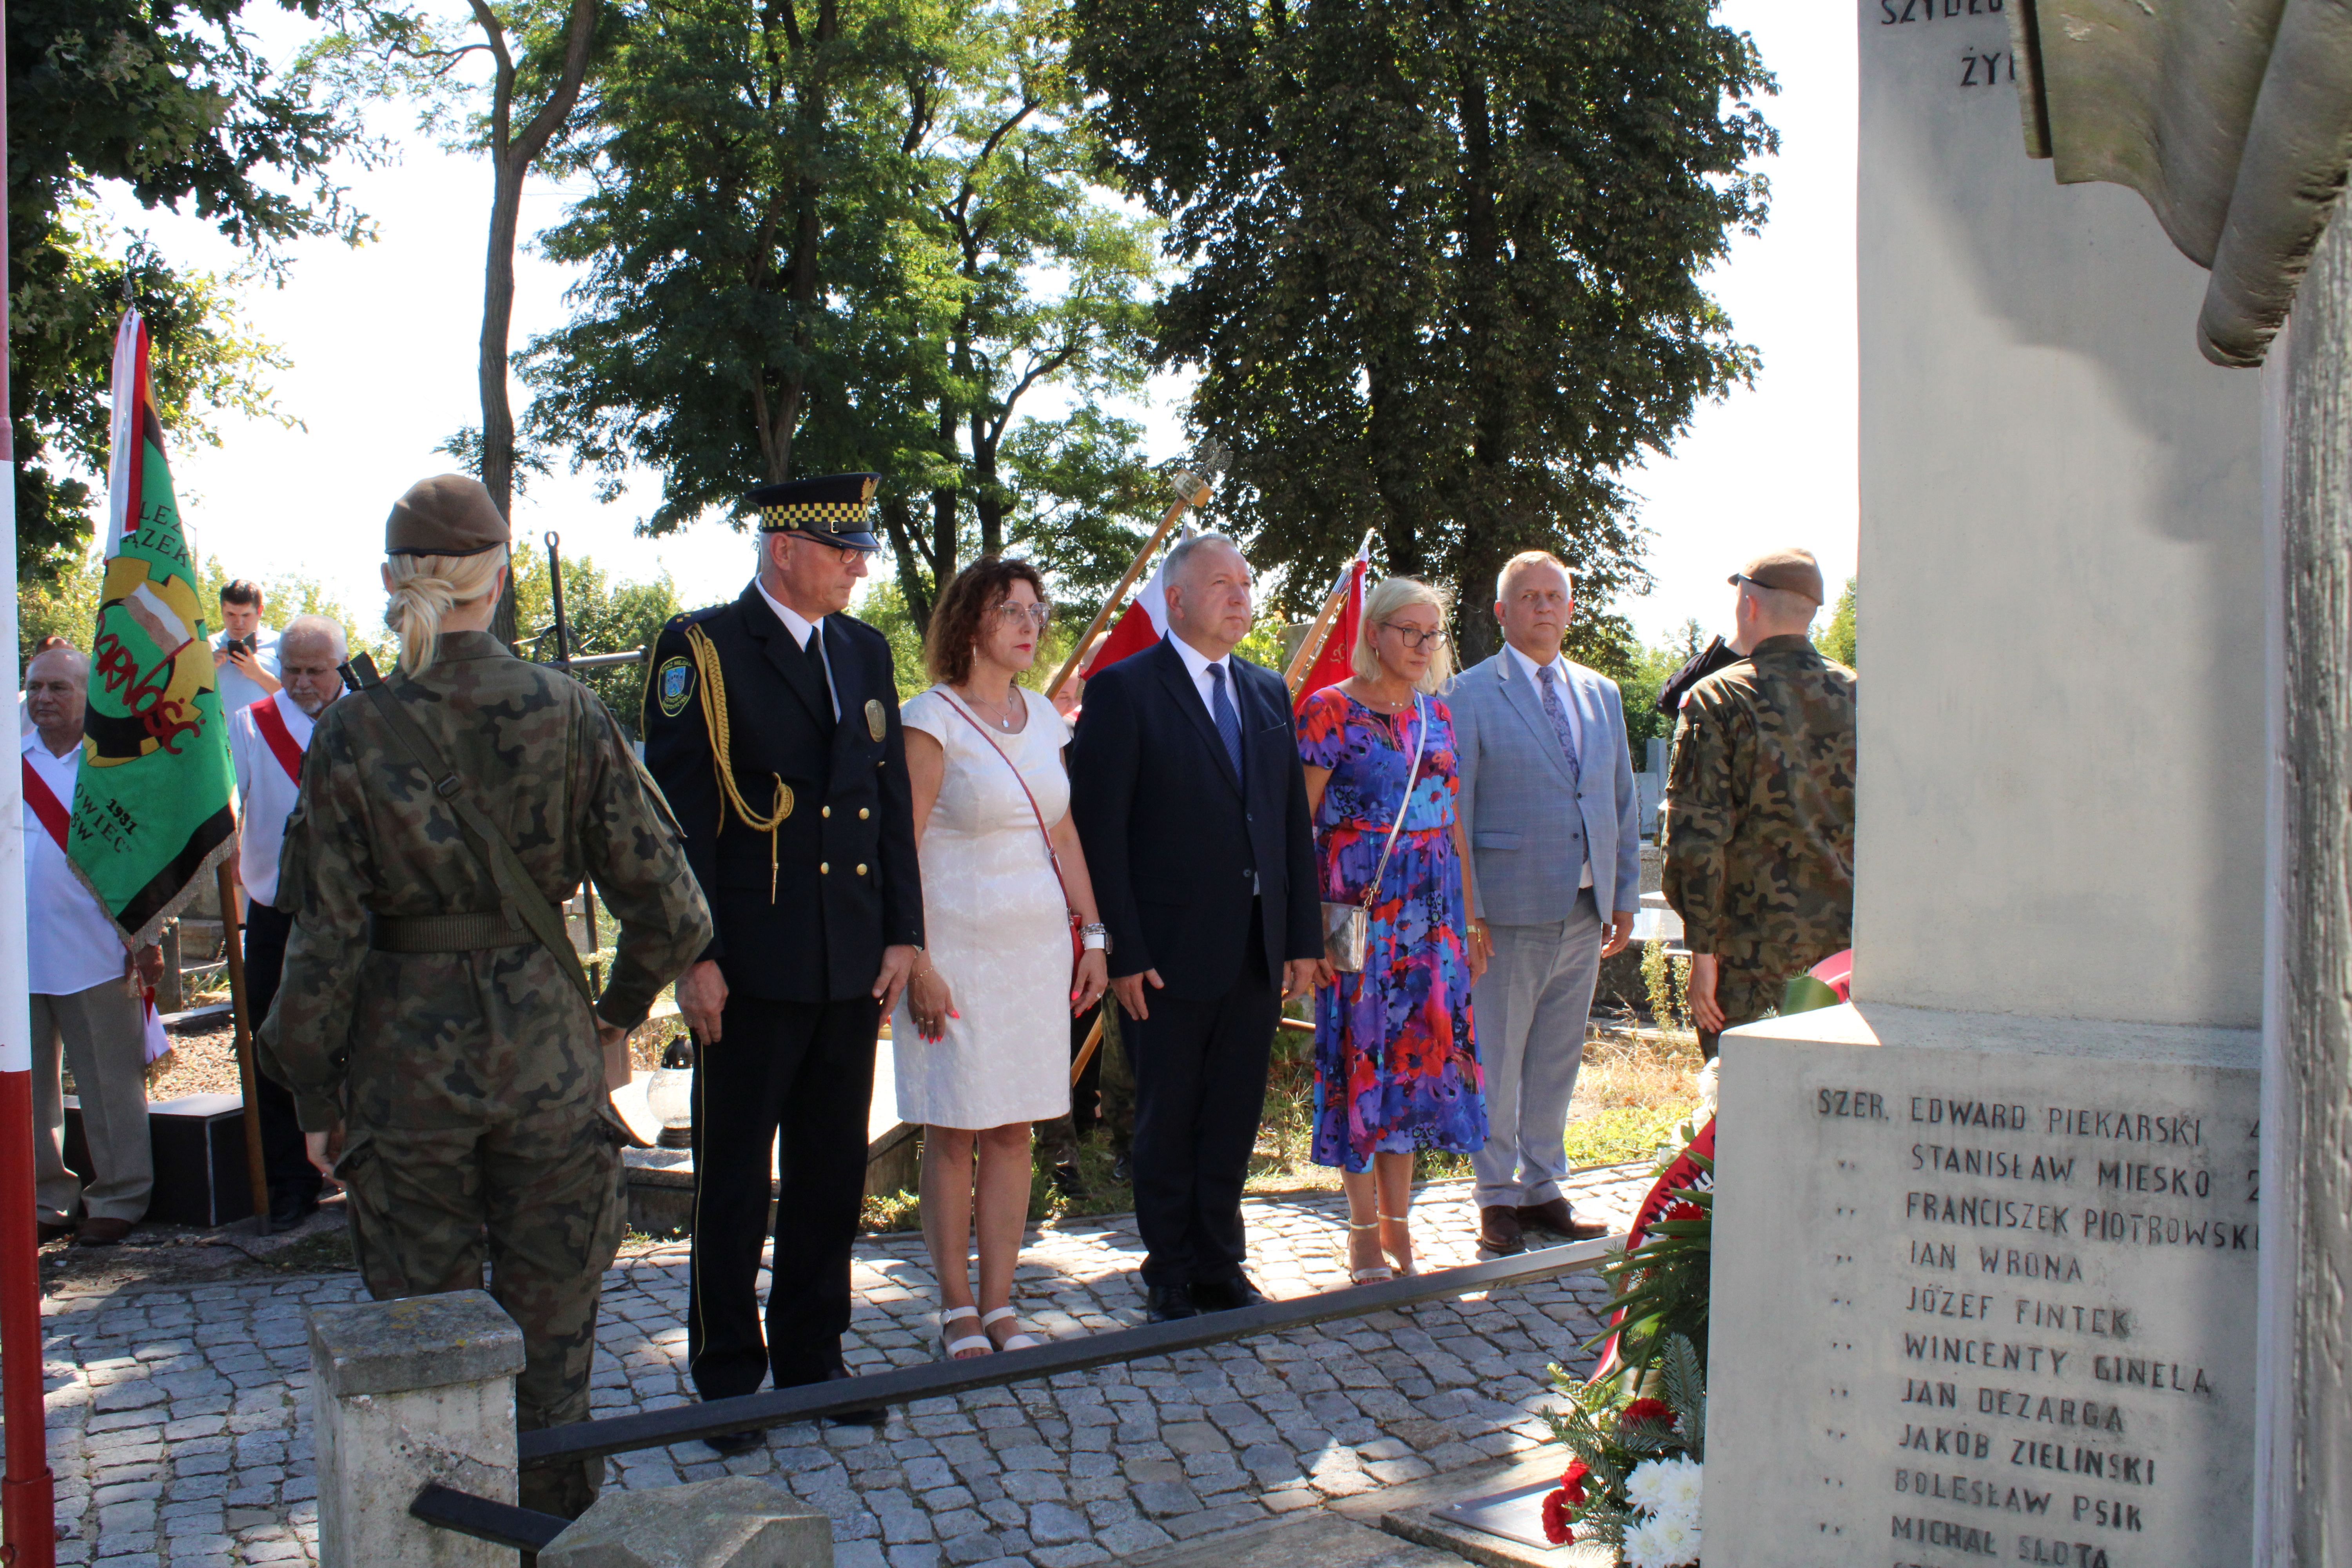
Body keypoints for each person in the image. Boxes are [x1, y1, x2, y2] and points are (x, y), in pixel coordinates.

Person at [257, 474, 712, 1519]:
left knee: (425, 1355)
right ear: (497, 578)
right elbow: (675, 910)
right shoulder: (568, 710)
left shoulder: (357, 733)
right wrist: (613, 1017)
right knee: (553, 1359)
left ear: (395, 584)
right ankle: (551, 1535)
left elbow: (321, 946)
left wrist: (313, 1101)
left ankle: (441, 1542)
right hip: (550, 1071)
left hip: (402, 1083)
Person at [639, 472, 923, 1446]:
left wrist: (903, 931)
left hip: (848, 956)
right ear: (782, 549)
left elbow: (886, 809)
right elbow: (680, 823)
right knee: (732, 1175)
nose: (858, 565)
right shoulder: (704, 650)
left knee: (829, 1171)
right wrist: (696, 953)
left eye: (862, 551)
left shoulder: (862, 648)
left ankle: (814, 1354)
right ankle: (726, 1372)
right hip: (750, 961)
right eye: (841, 548)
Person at [1069, 533, 1321, 1322]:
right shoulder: (1125, 689)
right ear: (1175, 600)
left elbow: (1286, 824)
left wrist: (1302, 937)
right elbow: (1100, 830)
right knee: (1168, 1114)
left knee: (1232, 1113)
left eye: (1246, 582)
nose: (1240, 595)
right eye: (1221, 583)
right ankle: (1169, 1266)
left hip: (1253, 946)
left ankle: (1221, 1259)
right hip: (1164, 954)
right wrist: (1122, 949)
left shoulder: (1266, 690)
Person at [893, 557, 1110, 1358]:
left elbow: (1063, 834)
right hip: (953, 950)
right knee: (954, 1128)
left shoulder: (1050, 722)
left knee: (1014, 1126)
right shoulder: (931, 717)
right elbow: (902, 845)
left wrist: (1092, 935)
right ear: (969, 624)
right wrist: (916, 956)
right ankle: (954, 1306)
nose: (1030, 622)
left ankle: (1001, 1302)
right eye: (1009, 609)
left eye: (1034, 609)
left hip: (1034, 950)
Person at [1299, 577, 1487, 1283]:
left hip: (1434, 920)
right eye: (1407, 630)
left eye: (1431, 633)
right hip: (1360, 917)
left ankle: (1400, 1230)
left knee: (1415, 1073)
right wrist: (1305, 933)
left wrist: (1471, 919)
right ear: (1373, 633)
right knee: (1363, 1064)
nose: (1421, 645)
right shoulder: (1328, 712)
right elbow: (1299, 825)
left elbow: (1453, 821)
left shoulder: (1438, 715)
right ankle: (1359, 1234)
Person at [1450, 551, 1637, 1256]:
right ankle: (1495, 1196)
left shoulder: (1601, 692)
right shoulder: (1469, 694)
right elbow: (1455, 813)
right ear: (1502, 613)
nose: (1545, 608)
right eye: (1528, 597)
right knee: (1495, 1058)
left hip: (1584, 909)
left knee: (1557, 1059)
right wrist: (1469, 910)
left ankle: (1543, 1187)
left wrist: (1621, 895)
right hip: (1504, 913)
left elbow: (1619, 796)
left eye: (1555, 596)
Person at [1661, 549, 1857, 1058]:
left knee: (1744, 1110)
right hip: (1845, 955)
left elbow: (1695, 839)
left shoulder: (1718, 698)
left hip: (1745, 958)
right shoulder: (1861, 696)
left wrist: (1701, 954)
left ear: (1748, 604)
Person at [22, 644, 163, 1247]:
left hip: (97, 948)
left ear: (88, 695)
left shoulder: (114, 766)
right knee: (24, 1086)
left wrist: (147, 938)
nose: (45, 699)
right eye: (36, 687)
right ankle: (43, 1197)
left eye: (59, 688)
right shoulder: (10, 756)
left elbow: (146, 858)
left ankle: (120, 1195)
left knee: (109, 1081)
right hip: (17, 954)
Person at [227, 613, 348, 1227]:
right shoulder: (253, 725)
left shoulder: (374, 723)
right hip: (280, 913)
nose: (302, 683)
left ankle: (366, 1168)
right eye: (292, 670)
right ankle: (290, 1181)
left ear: (339, 668)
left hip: (360, 917)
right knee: (274, 1046)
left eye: (315, 671)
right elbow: (229, 807)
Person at [211, 579, 283, 717]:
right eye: (231, 614)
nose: (239, 623)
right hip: (220, 736)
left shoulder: (281, 645)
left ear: (260, 611)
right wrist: (204, 672)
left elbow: (296, 699)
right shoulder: (207, 646)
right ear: (222, 610)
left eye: (246, 615)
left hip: (265, 736)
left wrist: (260, 675)